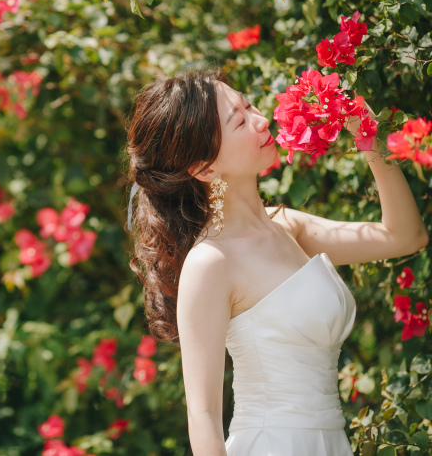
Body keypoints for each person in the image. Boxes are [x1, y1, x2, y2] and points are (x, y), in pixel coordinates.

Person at [124, 68, 428, 455]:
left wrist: (366, 133)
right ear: (205, 168)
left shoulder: (290, 227)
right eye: (240, 120)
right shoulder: (210, 262)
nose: (261, 119)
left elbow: (405, 235)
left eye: (248, 104)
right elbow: (202, 415)